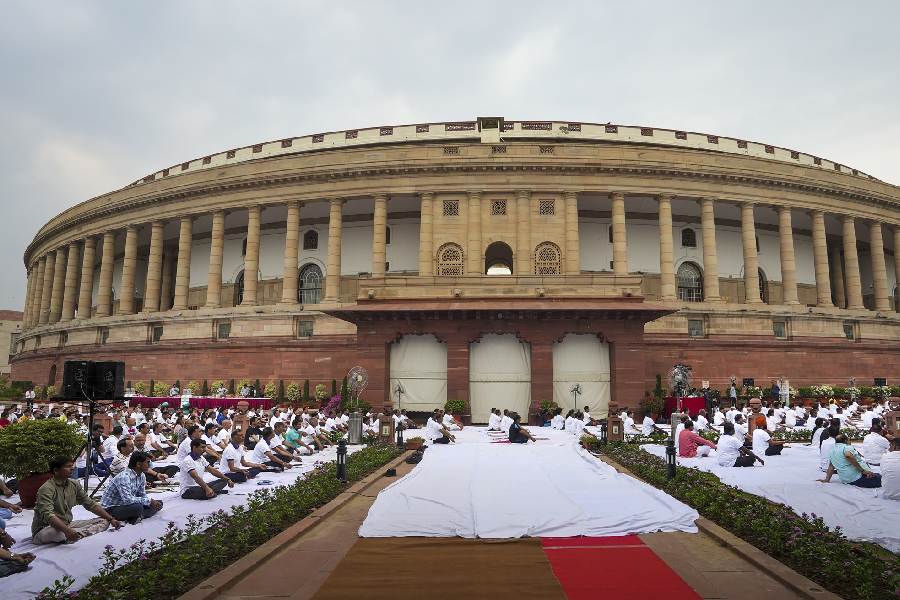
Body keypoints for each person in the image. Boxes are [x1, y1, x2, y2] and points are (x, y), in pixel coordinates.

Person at [32, 456, 123, 544]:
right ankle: (71, 534)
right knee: (56, 533)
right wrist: (67, 530)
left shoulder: (74, 484)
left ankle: (75, 534)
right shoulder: (46, 489)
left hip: (67, 525)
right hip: (45, 529)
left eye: (72, 466)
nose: (72, 468)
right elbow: (48, 515)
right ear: (56, 470)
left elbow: (90, 504)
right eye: (68, 466)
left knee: (104, 521)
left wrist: (111, 519)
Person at [100, 451, 164, 524]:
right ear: (139, 464)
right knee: (138, 508)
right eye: (148, 462)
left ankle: (136, 517)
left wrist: (150, 502)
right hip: (111, 509)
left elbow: (142, 494)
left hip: (126, 504)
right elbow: (128, 500)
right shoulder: (124, 477)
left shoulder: (142, 475)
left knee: (159, 503)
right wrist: (149, 501)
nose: (150, 465)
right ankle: (138, 515)